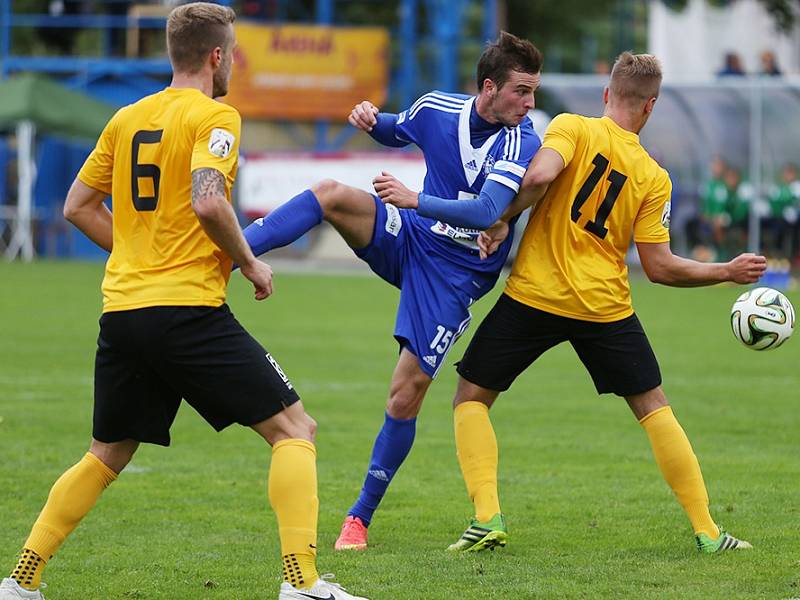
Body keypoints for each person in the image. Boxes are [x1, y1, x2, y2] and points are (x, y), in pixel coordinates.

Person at [0, 4, 366, 600]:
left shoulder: (126, 117)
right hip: (185, 312)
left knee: (106, 455)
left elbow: (77, 206)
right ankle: (302, 583)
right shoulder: (215, 116)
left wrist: (141, 253)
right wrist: (250, 262)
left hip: (123, 313)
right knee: (295, 429)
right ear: (217, 57)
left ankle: (20, 581)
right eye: (235, 54)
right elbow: (208, 201)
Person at [382, 52, 766, 554]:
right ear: (650, 106)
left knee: (471, 398)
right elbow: (660, 268)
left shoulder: (571, 128)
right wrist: (726, 271)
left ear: (607, 94)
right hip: (604, 307)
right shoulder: (654, 177)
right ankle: (708, 531)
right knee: (654, 408)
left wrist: (503, 219)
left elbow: (538, 177)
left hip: (535, 295)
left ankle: (487, 519)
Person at [241, 31, 543, 551]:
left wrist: (415, 198)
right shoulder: (437, 108)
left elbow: (487, 212)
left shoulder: (522, 140)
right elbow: (396, 129)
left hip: (457, 273)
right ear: (489, 87)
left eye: (533, 92)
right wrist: (368, 119)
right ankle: (231, 253)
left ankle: (358, 519)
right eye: (522, 91)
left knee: (406, 394)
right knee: (332, 195)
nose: (530, 103)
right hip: (413, 238)